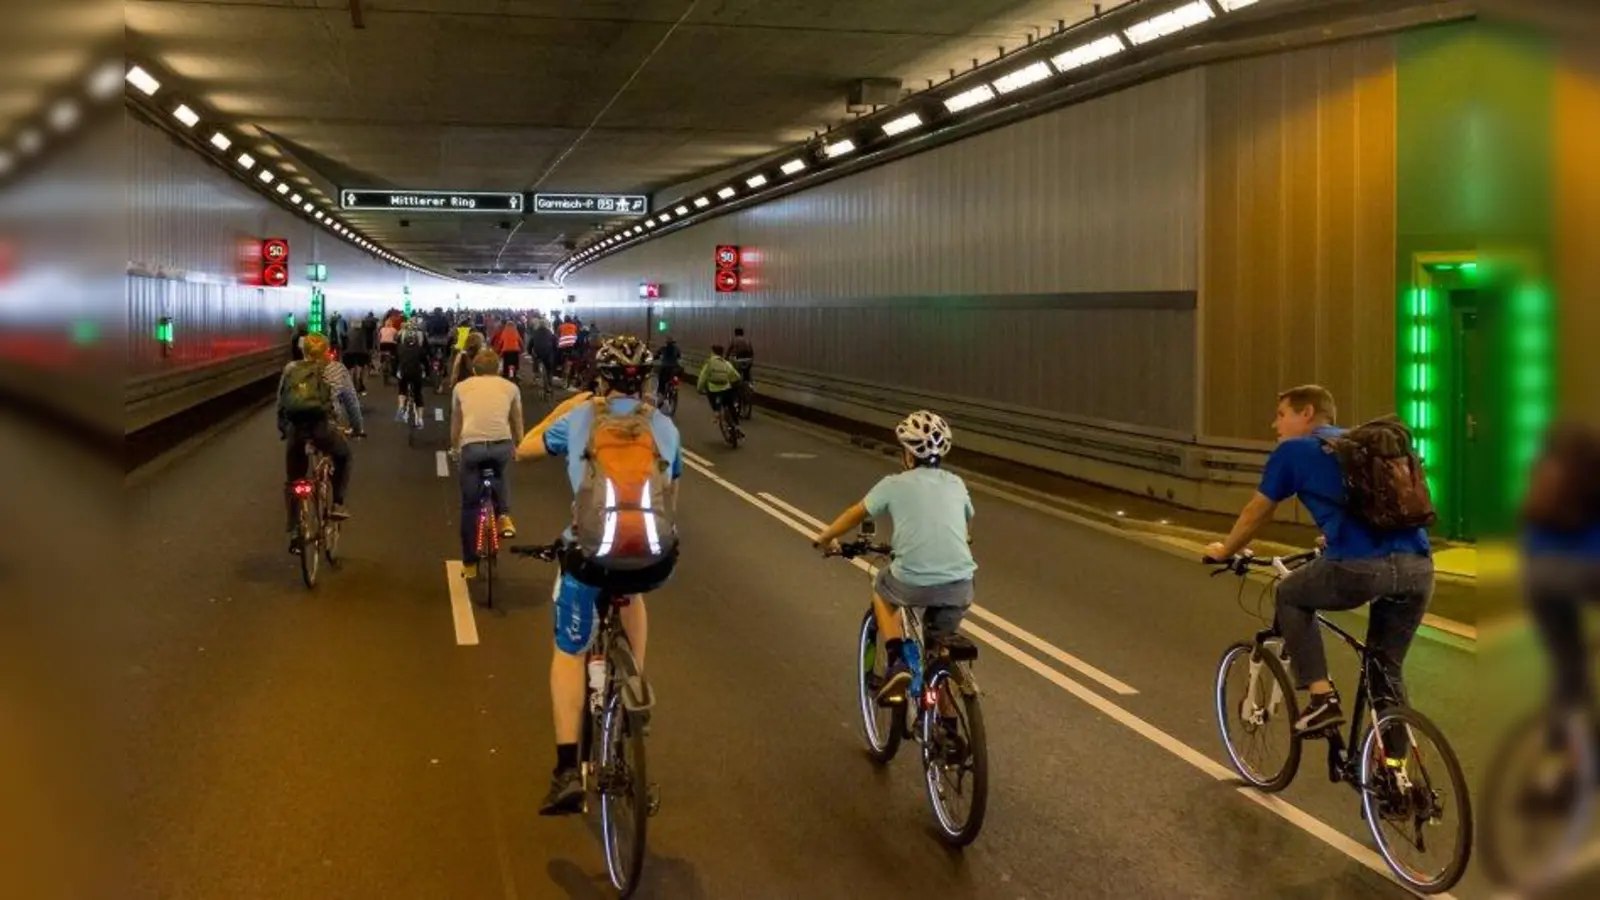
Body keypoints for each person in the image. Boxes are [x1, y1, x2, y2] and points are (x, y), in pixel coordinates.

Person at [515, 335, 681, 815]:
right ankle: (636, 692)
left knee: (568, 653)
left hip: (590, 554)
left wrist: (566, 407)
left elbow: (524, 449)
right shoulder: (664, 426)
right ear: (646, 381)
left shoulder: (581, 418)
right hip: (654, 558)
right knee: (632, 592)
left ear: (601, 380)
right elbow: (671, 494)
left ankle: (567, 769)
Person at [1205, 385, 1433, 734]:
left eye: (1282, 414)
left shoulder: (1294, 451)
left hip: (1359, 567)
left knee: (1290, 595)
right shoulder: (1363, 446)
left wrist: (1225, 549)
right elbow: (1373, 506)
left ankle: (1321, 698)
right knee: (1386, 669)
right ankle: (1397, 773)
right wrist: (1334, 535)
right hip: (1419, 565)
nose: (1274, 424)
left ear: (1307, 413)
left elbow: (1257, 512)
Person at [812, 411, 975, 707]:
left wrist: (825, 538)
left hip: (912, 579)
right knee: (940, 652)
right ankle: (949, 730)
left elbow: (855, 513)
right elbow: (966, 529)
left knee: (881, 586)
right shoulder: (956, 483)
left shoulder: (894, 484)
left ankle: (897, 659)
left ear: (908, 456)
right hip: (960, 585)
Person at [276, 333, 364, 552]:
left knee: (294, 479)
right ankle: (337, 504)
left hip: (297, 430)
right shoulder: (336, 369)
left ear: (303, 350)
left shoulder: (290, 369)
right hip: (324, 429)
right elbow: (351, 403)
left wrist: (284, 429)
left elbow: (281, 403)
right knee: (343, 456)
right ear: (327, 351)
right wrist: (358, 428)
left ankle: (296, 530)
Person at [452, 349, 524, 576]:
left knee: (469, 506)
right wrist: (519, 445)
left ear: (474, 369)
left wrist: (455, 448)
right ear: (499, 368)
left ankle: (470, 564)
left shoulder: (461, 387)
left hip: (472, 448)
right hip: (501, 444)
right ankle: (504, 516)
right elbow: (516, 419)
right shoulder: (511, 388)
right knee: (501, 473)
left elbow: (456, 422)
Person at [696, 344, 742, 428]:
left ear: (713, 352)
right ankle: (737, 425)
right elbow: (736, 376)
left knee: (710, 392)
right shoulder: (725, 363)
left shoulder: (709, 363)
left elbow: (703, 377)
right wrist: (732, 382)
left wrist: (699, 389)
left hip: (714, 391)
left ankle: (716, 411)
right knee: (730, 405)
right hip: (727, 389)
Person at [395, 327, 427, 423]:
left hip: (404, 372)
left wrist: (395, 372)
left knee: (402, 389)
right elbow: (425, 362)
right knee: (418, 395)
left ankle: (401, 406)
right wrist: (427, 373)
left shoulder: (400, 347)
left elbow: (395, 361)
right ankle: (420, 419)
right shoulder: (420, 349)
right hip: (416, 373)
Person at [343, 312, 374, 395]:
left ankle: (349, 383)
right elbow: (365, 342)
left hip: (349, 353)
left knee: (350, 368)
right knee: (363, 366)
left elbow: (345, 343)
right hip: (361, 352)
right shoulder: (363, 332)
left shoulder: (348, 332)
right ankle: (361, 380)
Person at [530, 315, 557, 390]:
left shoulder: (535, 333)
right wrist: (555, 353)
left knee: (535, 362)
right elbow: (555, 346)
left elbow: (530, 345)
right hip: (548, 354)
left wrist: (530, 352)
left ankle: (535, 377)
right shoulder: (551, 334)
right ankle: (550, 383)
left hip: (537, 354)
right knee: (549, 369)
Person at [655, 335, 681, 399]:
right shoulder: (676, 348)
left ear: (666, 342)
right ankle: (673, 386)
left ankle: (661, 391)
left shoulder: (663, 348)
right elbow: (679, 356)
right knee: (675, 377)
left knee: (661, 379)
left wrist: (655, 357)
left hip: (665, 367)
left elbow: (656, 355)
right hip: (675, 367)